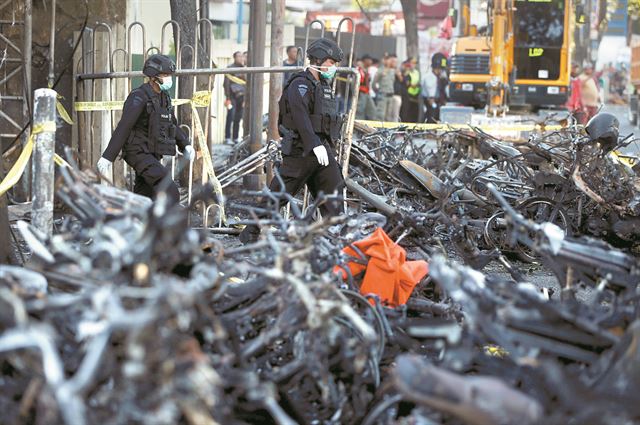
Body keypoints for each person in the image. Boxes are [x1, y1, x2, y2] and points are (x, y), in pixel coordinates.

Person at [238, 38, 345, 244]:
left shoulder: (323, 85)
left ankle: (338, 239)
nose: (334, 68)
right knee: (278, 195)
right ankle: (250, 231)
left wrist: (325, 145)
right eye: (331, 63)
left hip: (322, 151)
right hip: (300, 152)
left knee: (333, 192)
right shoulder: (300, 85)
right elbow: (300, 117)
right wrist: (314, 145)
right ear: (320, 60)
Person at [96, 54, 194, 204]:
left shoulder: (164, 97)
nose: (169, 79)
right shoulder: (139, 96)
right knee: (170, 190)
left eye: (170, 75)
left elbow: (172, 124)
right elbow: (124, 126)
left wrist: (185, 144)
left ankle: (138, 224)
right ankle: (167, 226)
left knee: (144, 196)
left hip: (153, 152)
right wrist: (108, 157)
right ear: (153, 77)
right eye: (165, 75)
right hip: (138, 152)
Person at [223, 51, 246, 143]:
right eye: (239, 56)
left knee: (238, 117)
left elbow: (246, 84)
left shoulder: (245, 68)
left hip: (242, 96)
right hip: (232, 96)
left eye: (242, 56)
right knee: (230, 116)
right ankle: (227, 137)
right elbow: (226, 83)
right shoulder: (230, 68)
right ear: (235, 57)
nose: (241, 58)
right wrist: (228, 97)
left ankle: (235, 137)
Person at [422, 53, 448, 123]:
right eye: (439, 69)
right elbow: (430, 97)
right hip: (430, 103)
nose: (440, 71)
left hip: (439, 103)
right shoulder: (428, 78)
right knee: (431, 119)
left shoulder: (441, 78)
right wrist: (434, 105)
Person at [374, 54, 399, 122]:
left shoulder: (392, 71)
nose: (388, 61)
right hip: (383, 95)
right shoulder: (380, 70)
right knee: (380, 115)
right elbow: (374, 83)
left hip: (390, 95)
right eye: (386, 59)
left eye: (388, 59)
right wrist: (377, 91)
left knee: (388, 116)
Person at [356, 54, 378, 120]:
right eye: (369, 60)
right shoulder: (359, 69)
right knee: (360, 112)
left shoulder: (366, 70)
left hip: (367, 93)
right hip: (360, 93)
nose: (371, 62)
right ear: (365, 60)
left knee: (372, 111)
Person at [400, 57, 421, 122]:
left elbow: (418, 82)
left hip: (416, 96)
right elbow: (406, 83)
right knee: (406, 114)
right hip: (407, 96)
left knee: (415, 115)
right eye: (413, 63)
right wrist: (413, 85)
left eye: (415, 63)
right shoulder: (406, 72)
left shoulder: (417, 72)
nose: (414, 65)